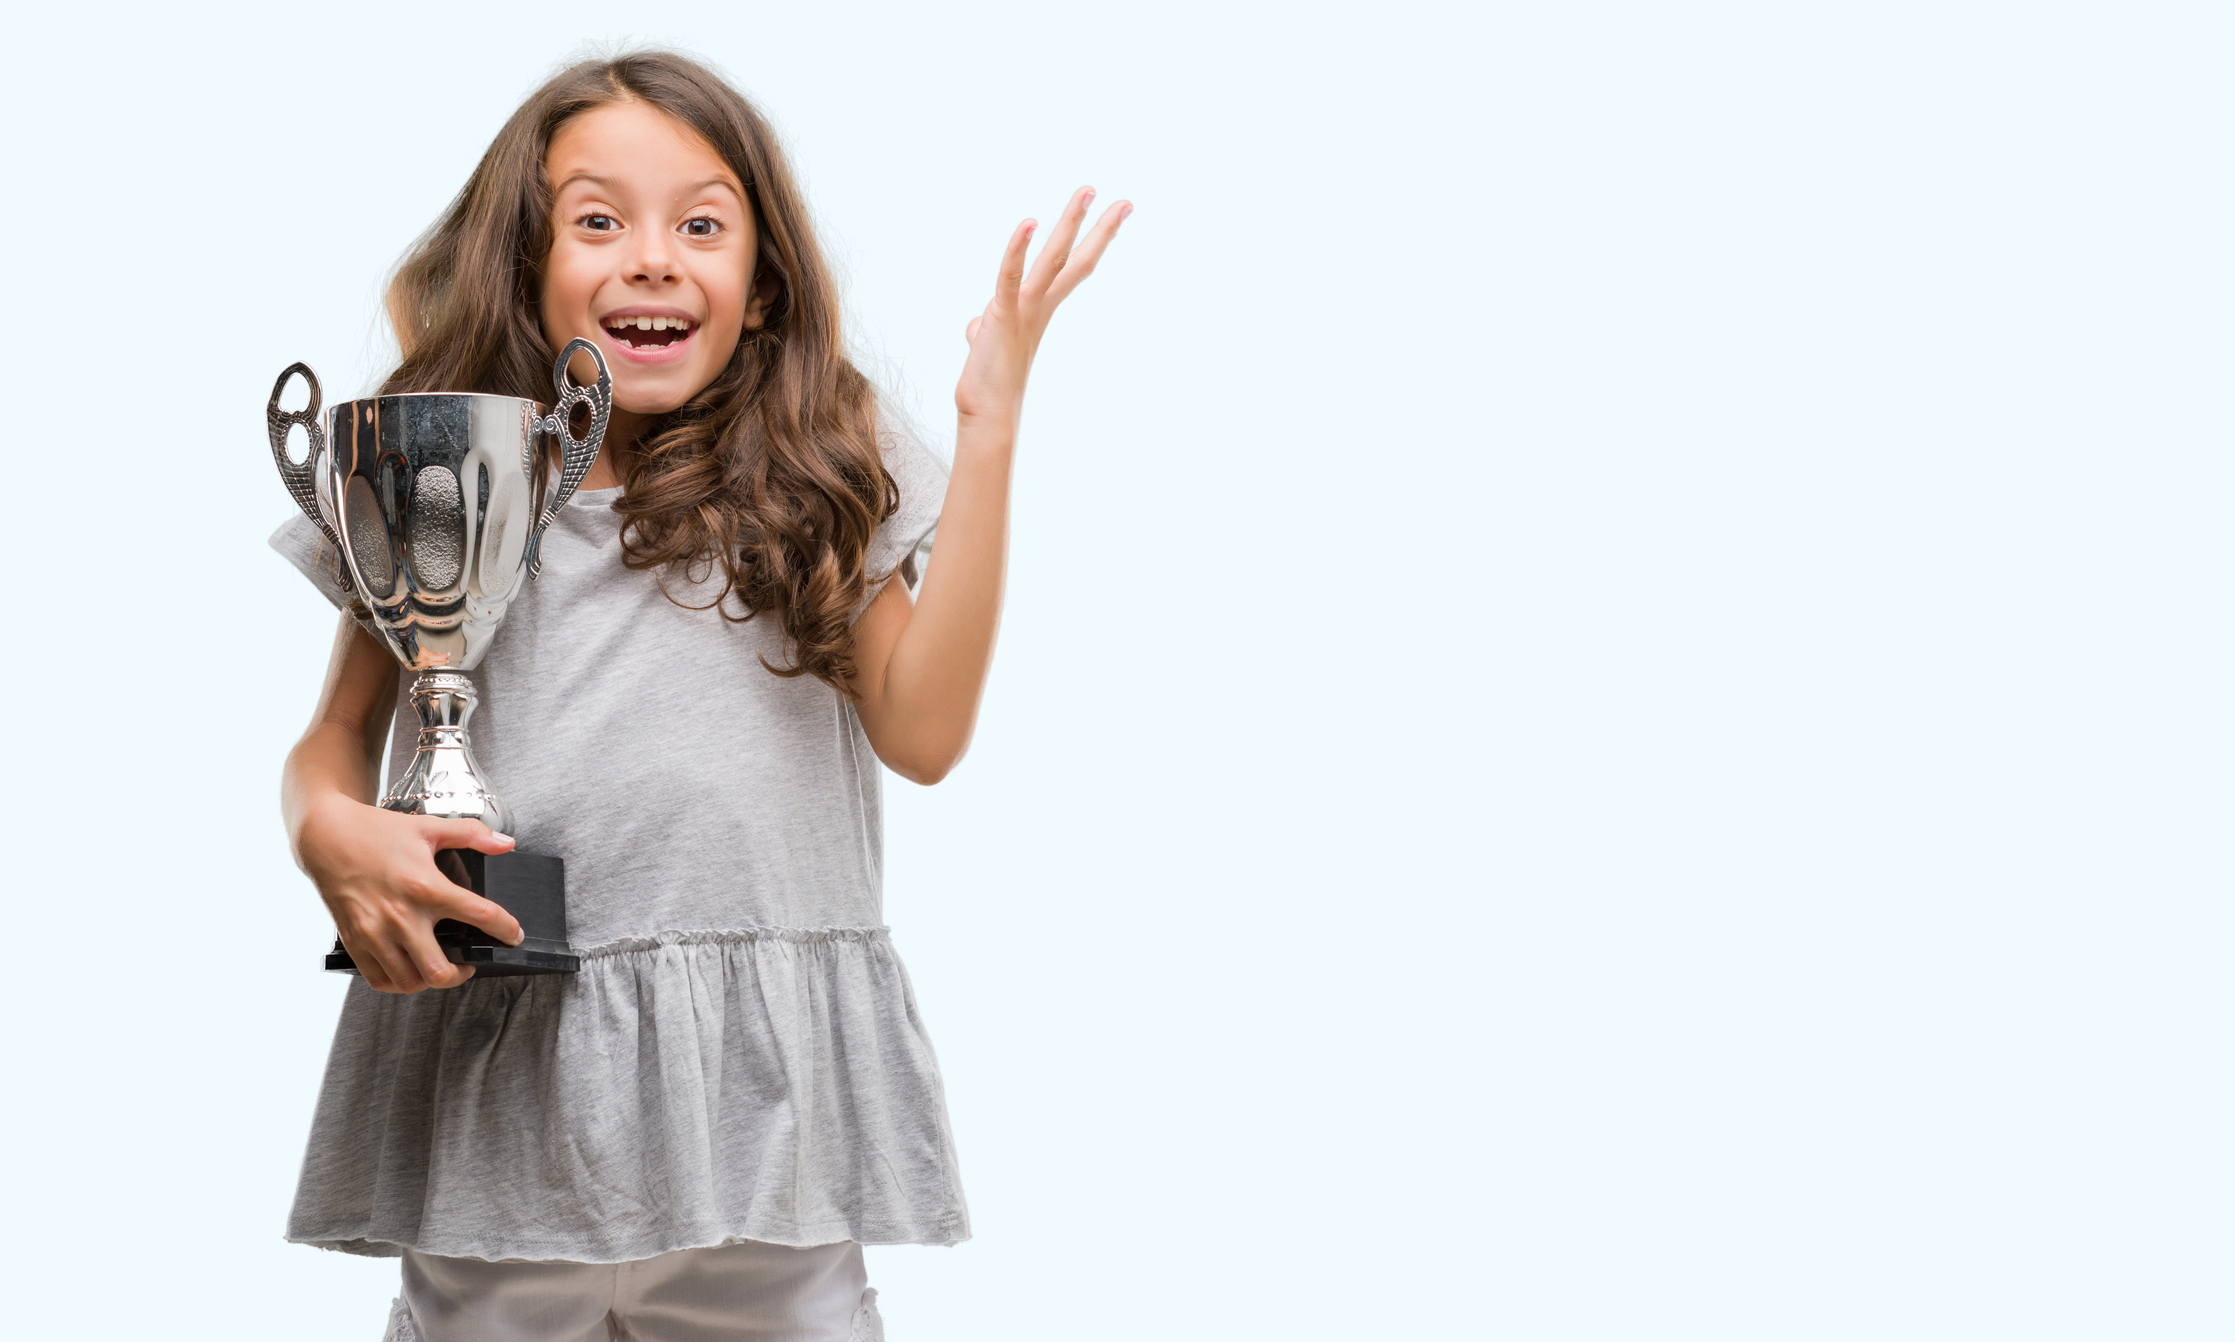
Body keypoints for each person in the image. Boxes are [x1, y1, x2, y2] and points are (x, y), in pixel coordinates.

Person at [271, 50, 1128, 1342]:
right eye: (598, 219)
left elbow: (926, 730)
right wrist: (323, 828)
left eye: (702, 222)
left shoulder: (817, 464)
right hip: (506, 1112)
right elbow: (334, 742)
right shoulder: (446, 468)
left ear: (762, 286)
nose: (654, 257)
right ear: (525, 264)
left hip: (760, 1125)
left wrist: (989, 425)